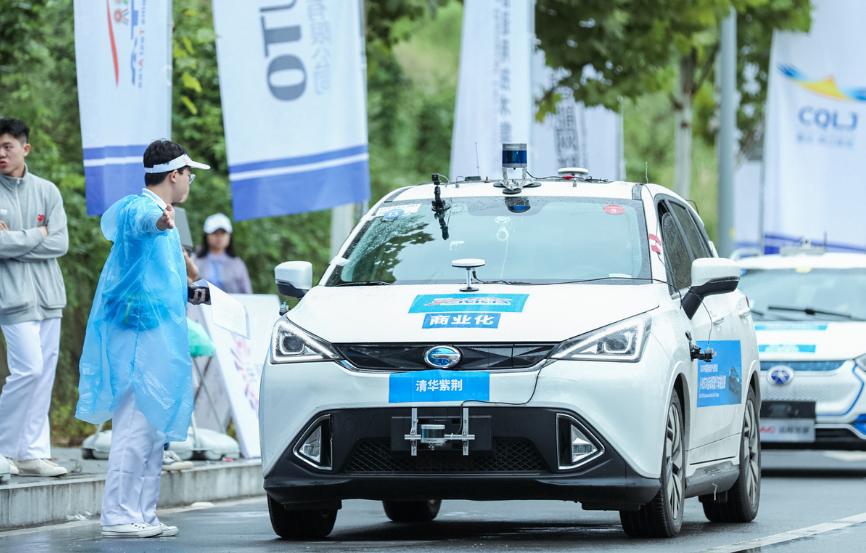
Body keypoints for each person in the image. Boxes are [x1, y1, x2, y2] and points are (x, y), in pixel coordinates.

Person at [76, 139, 210, 539]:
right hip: (137, 335)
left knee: (152, 428)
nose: (190, 182)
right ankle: (117, 515)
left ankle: (143, 513)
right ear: (174, 175)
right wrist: (159, 223)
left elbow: (157, 274)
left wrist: (190, 290)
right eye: (189, 175)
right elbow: (137, 222)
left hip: (157, 336)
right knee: (134, 426)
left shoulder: (166, 216)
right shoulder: (143, 208)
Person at [0, 118, 69, 478]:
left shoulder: (47, 190)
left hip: (49, 297)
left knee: (44, 376)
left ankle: (32, 452)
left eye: (7, 146)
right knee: (28, 369)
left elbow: (60, 242)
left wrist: (14, 240)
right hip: (11, 298)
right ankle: (3, 447)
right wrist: (37, 234)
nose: (1, 153)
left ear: (24, 149)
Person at [193, 213, 252, 293]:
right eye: (215, 233)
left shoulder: (237, 263)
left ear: (229, 236)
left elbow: (247, 293)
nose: (219, 237)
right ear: (206, 236)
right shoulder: (195, 261)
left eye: (223, 233)